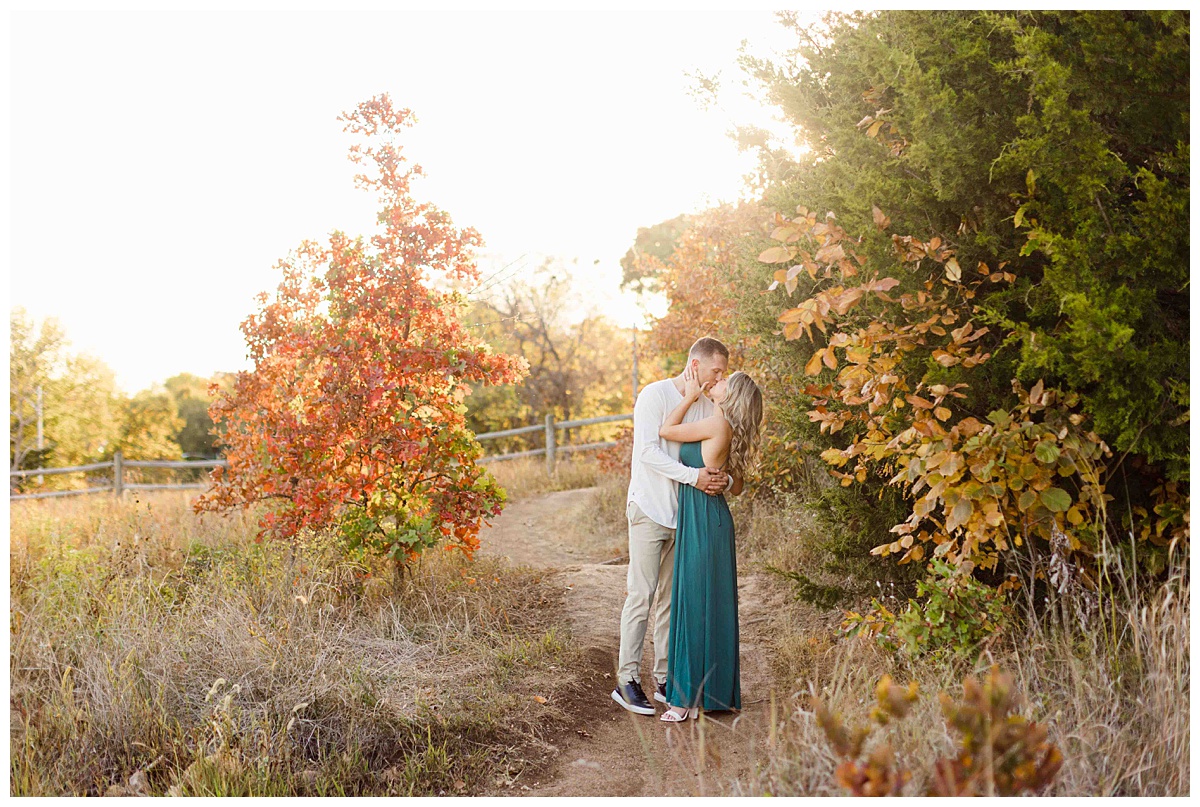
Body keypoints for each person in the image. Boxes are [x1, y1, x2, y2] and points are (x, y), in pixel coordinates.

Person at [610, 337, 734, 716]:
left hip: (685, 517)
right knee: (641, 595)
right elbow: (647, 451)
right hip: (649, 508)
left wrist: (719, 481)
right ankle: (626, 679)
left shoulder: (707, 409)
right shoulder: (654, 395)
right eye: (716, 371)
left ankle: (664, 677)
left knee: (669, 600)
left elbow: (717, 459)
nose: (720, 378)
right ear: (696, 365)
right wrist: (693, 477)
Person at [657, 366, 763, 722]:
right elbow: (738, 485)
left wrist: (687, 396)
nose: (715, 383)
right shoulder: (722, 424)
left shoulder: (717, 424)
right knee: (709, 603)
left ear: (730, 396)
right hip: (709, 518)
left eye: (722, 382)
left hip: (704, 521)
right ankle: (714, 694)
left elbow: (665, 430)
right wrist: (729, 475)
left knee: (693, 603)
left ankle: (682, 701)